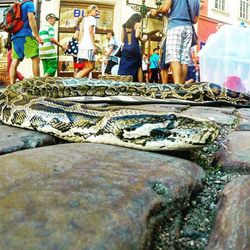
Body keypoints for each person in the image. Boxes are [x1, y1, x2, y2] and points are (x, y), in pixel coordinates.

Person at [150, 0, 200, 84]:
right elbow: (195, 20)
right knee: (184, 60)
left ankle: (177, 87)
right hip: (188, 28)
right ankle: (181, 87)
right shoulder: (197, 1)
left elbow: (165, 8)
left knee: (174, 57)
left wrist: (156, 11)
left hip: (175, 26)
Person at [9, 0, 43, 85]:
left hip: (15, 37)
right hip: (26, 35)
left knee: (15, 61)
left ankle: (11, 85)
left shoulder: (17, 4)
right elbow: (31, 18)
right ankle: (37, 84)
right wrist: (36, 35)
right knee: (35, 58)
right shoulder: (29, 4)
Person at [76, 5, 100, 78]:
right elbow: (91, 31)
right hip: (89, 46)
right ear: (90, 11)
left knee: (86, 68)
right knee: (91, 67)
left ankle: (78, 84)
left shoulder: (85, 19)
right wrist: (94, 45)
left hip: (83, 46)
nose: (97, 12)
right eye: (96, 11)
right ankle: (74, 81)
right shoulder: (92, 19)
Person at [118, 13, 143, 82]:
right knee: (138, 65)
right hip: (134, 47)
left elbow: (122, 39)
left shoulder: (124, 26)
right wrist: (142, 39)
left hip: (126, 48)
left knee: (124, 64)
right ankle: (140, 84)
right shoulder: (137, 24)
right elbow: (137, 35)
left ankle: (122, 81)